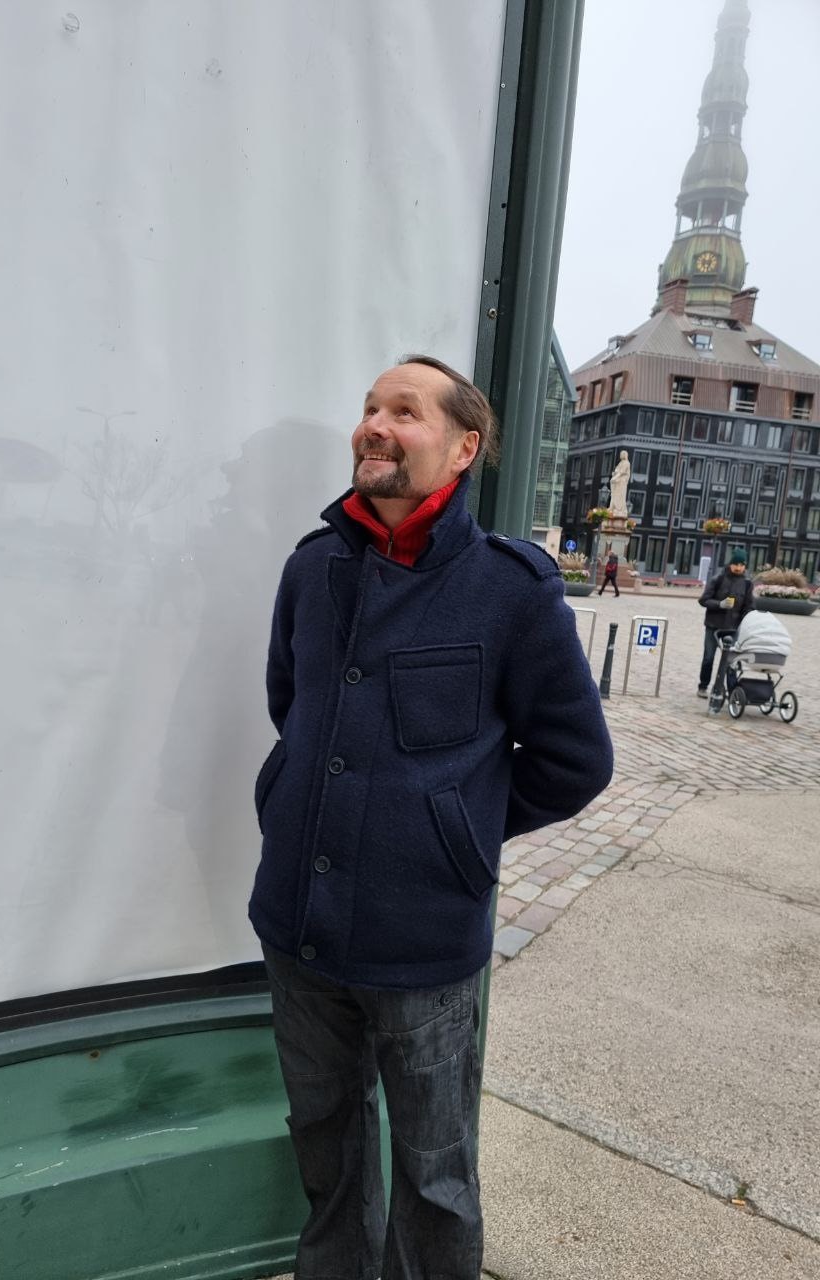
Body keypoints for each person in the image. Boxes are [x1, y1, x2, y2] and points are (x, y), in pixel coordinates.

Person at [248, 355, 613, 1280]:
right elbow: (293, 706)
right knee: (325, 1149)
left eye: (405, 411)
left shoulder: (511, 588)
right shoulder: (312, 567)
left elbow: (575, 761)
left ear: (463, 448)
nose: (375, 424)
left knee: (436, 1176)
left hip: (423, 943)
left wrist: (451, 827)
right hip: (297, 925)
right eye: (371, 407)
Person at [697, 547, 754, 697]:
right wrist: (720, 604)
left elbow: (749, 607)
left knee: (731, 661)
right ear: (730, 564)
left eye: (742, 565)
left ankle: (732, 691)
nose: (738, 568)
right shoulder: (718, 579)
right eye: (736, 564)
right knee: (708, 658)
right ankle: (703, 686)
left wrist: (747, 620)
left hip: (733, 629)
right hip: (713, 626)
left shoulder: (747, 584)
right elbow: (703, 600)